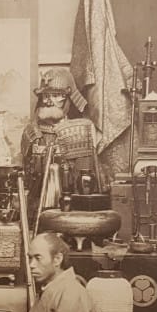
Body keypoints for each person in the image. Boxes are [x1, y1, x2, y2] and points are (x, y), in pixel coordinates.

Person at [20, 68, 98, 214]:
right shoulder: (30, 133)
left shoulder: (81, 131)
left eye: (56, 95)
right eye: (45, 96)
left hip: (73, 210)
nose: (49, 101)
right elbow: (26, 182)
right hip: (38, 209)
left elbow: (88, 184)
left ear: (69, 98)